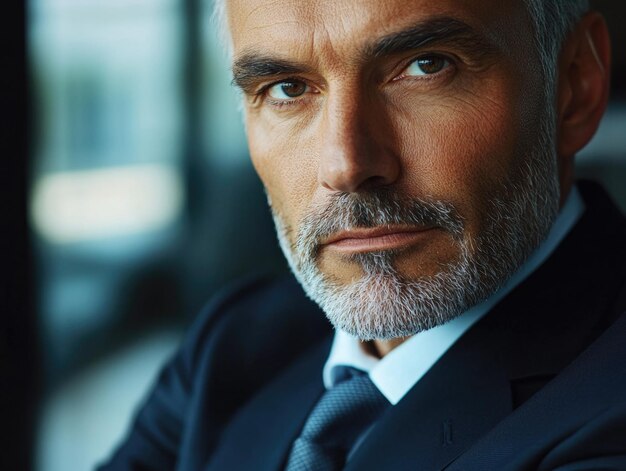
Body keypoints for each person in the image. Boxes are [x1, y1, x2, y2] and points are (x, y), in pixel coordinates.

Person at [100, 0, 626, 469]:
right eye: (287, 89)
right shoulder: (235, 346)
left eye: (427, 66)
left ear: (575, 84)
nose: (346, 164)